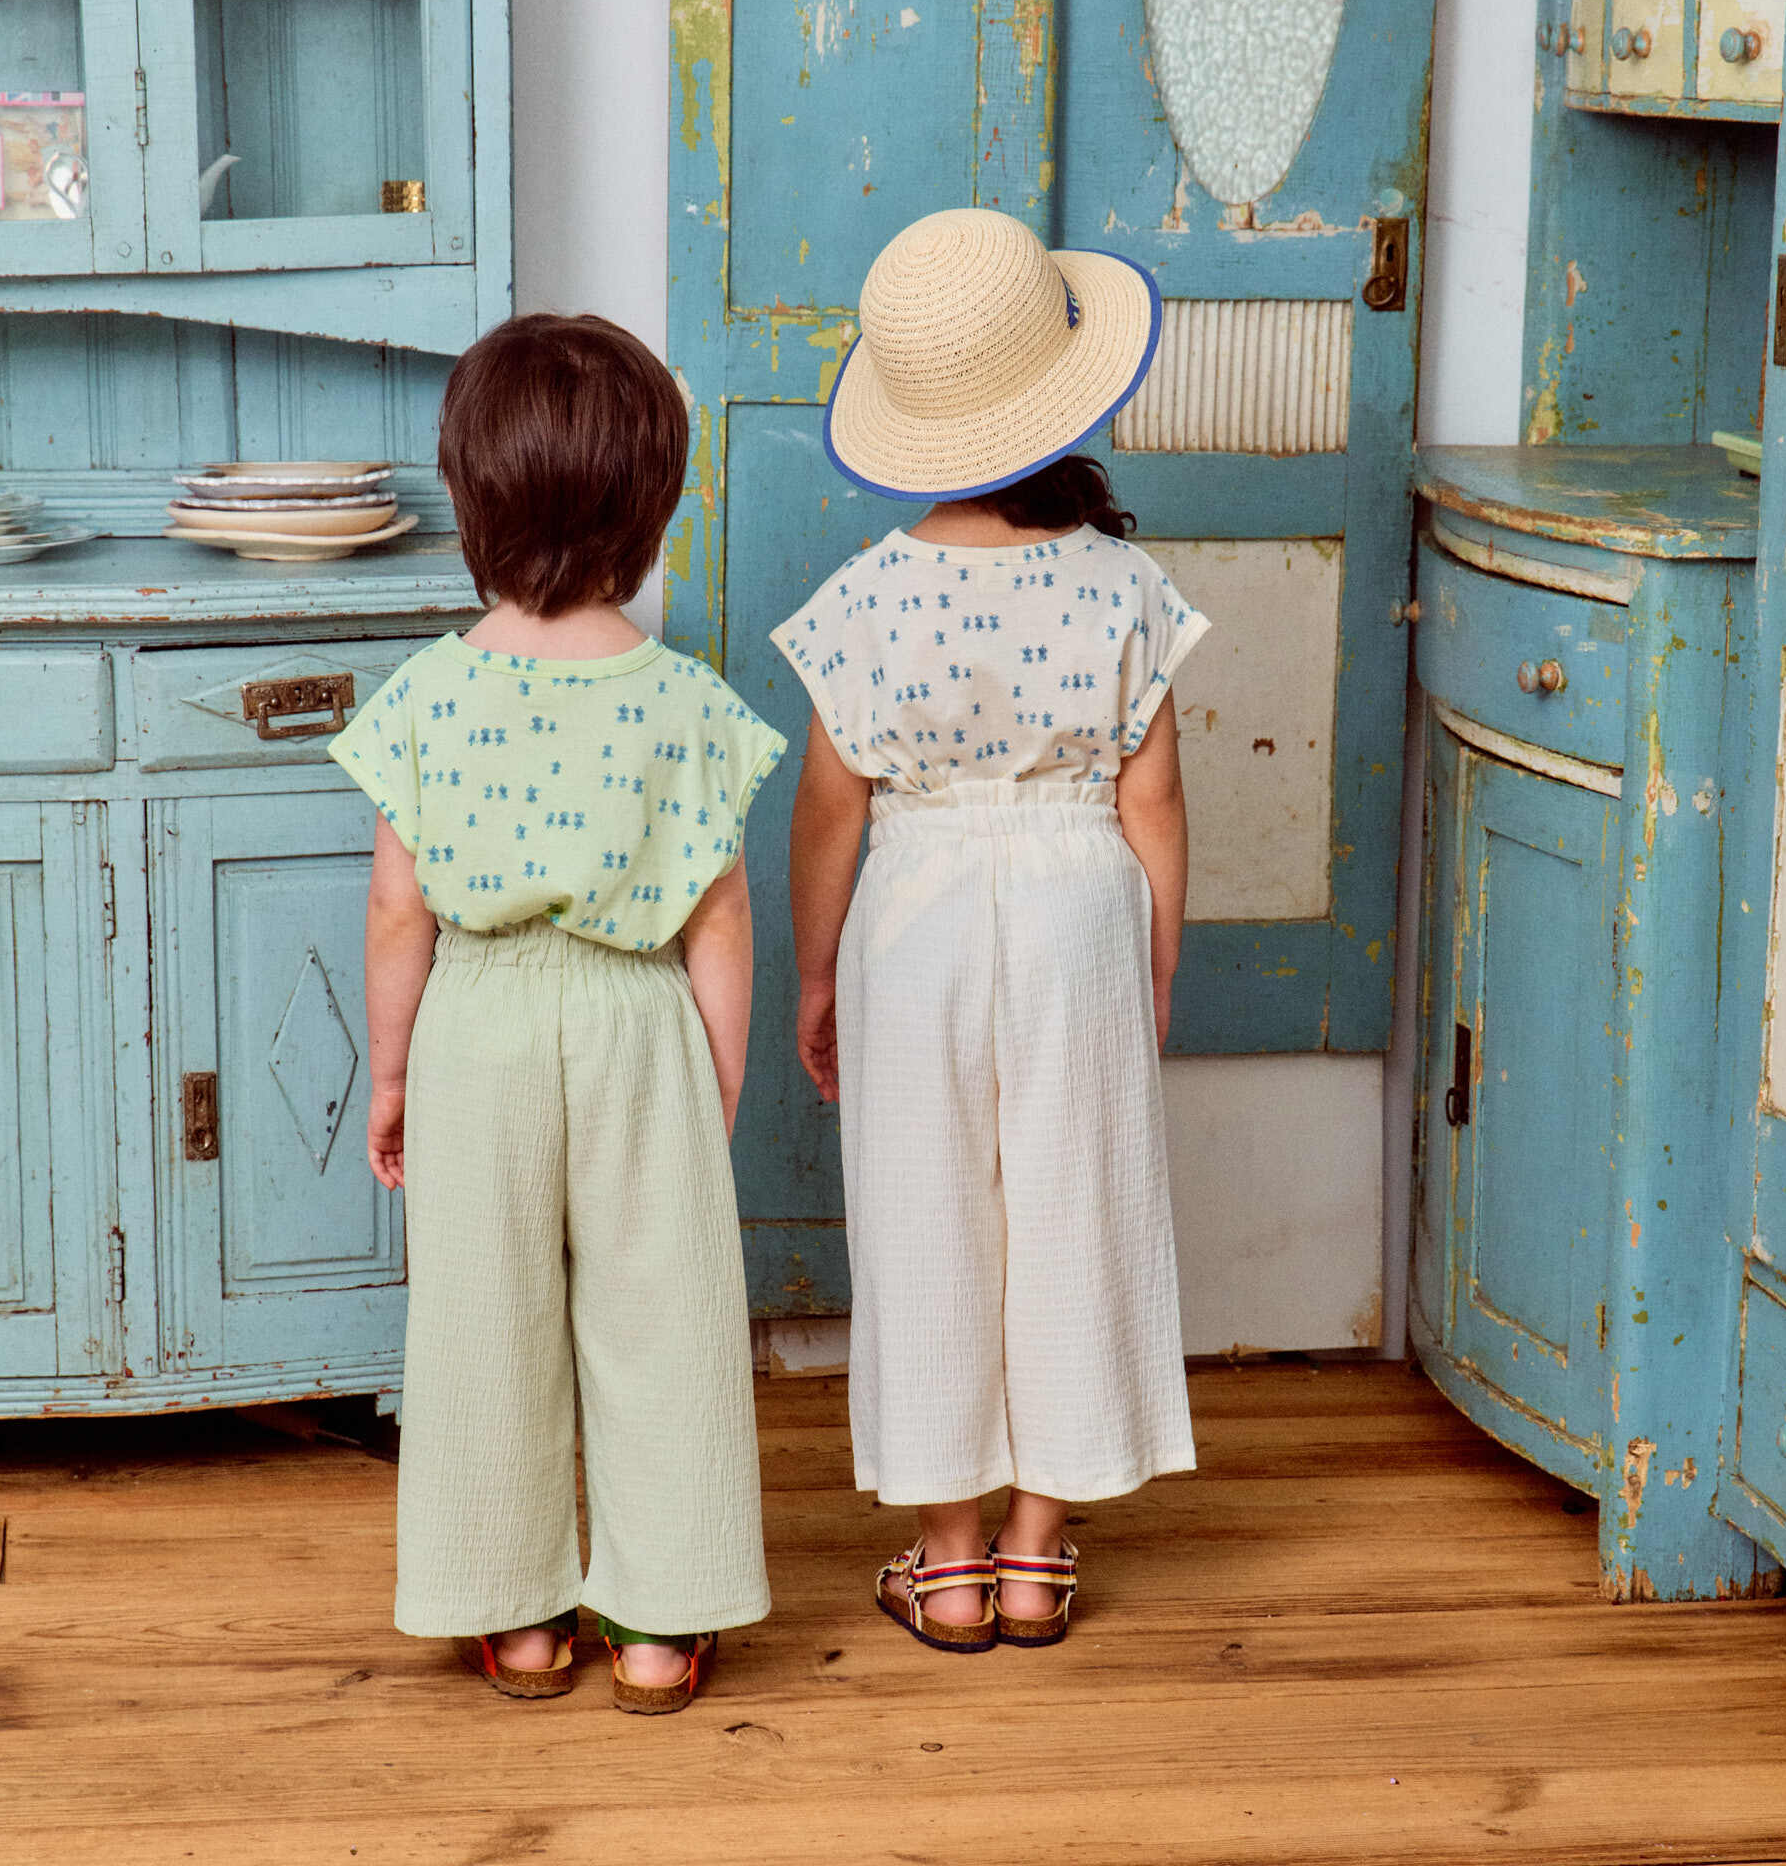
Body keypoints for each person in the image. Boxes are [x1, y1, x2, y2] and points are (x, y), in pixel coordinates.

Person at [333, 313, 785, 1713]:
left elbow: (397, 912)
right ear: (650, 508)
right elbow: (722, 917)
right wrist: (715, 1075)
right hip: (641, 1020)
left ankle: (518, 1620)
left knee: (484, 1321)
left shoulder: (426, 693)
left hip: (478, 1023)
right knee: (667, 1320)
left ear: (471, 497)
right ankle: (659, 1626)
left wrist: (392, 1075)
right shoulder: (688, 702)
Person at [773, 208, 1205, 1652]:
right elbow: (1155, 800)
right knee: (1075, 1206)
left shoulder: (860, 600)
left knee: (925, 1215)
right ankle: (1037, 1547)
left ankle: (948, 1560)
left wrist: (816, 973)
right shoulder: (1124, 587)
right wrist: (1155, 959)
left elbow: (829, 812)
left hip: (917, 913)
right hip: (1081, 901)